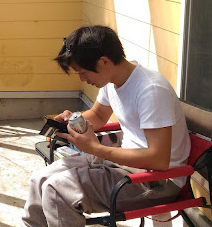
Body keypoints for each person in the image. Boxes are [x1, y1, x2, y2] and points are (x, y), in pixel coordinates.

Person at [22, 25, 191, 227]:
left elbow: (159, 159)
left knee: (58, 190)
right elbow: (98, 115)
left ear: (105, 62)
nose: (82, 79)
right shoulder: (113, 80)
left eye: (83, 72)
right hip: (124, 164)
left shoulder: (150, 90)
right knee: (39, 179)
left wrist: (97, 149)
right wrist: (73, 120)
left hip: (158, 181)